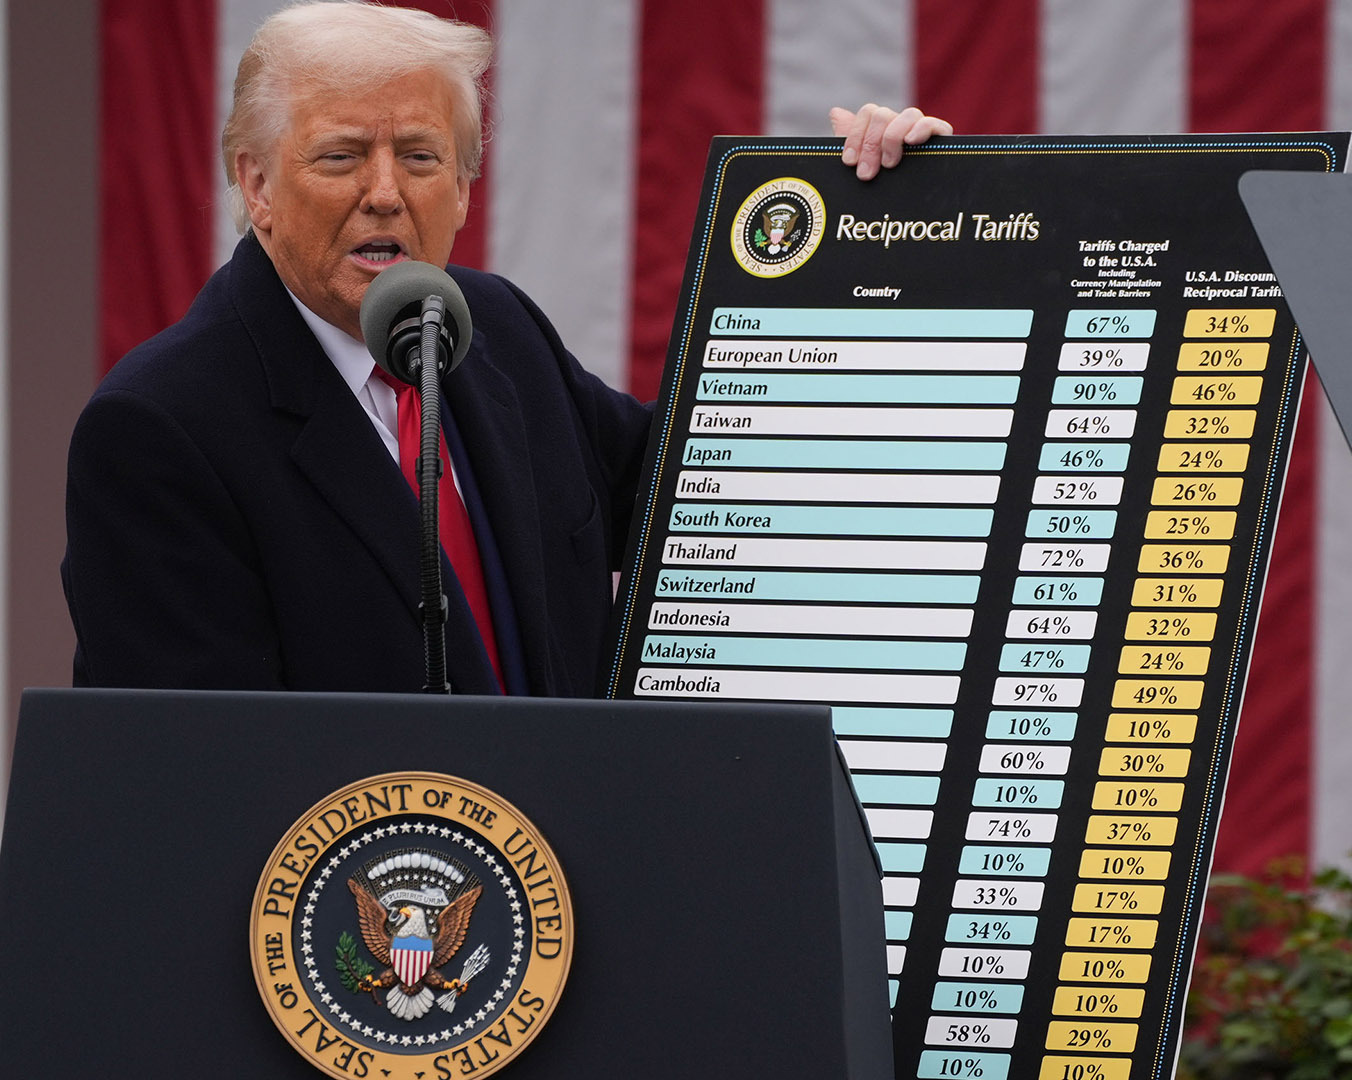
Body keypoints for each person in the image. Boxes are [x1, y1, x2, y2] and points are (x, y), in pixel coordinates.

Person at [63, 1, 950, 696]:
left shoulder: (495, 329)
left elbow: (710, 492)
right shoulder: (159, 428)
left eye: (420, 157)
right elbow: (199, 777)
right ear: (256, 183)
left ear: (462, 187)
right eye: (340, 157)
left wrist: (882, 237)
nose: (385, 192)